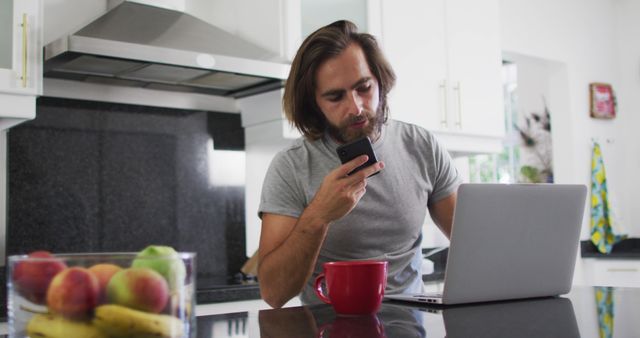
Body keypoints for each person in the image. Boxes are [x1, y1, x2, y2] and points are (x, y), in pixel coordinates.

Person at [257, 20, 461, 308]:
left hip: (411, 325)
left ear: (380, 80)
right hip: (328, 328)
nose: (356, 107)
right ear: (313, 102)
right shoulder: (290, 166)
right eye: (335, 96)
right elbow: (274, 293)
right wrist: (319, 216)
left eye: (364, 87)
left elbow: (475, 246)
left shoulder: (422, 146)